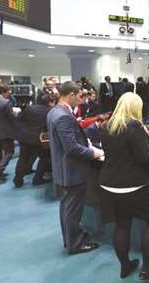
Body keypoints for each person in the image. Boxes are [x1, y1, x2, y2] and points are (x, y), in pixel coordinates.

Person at [99, 92, 149, 281]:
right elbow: (145, 158)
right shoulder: (134, 125)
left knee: (122, 225)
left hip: (109, 185)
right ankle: (147, 269)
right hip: (133, 185)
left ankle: (125, 266)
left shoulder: (107, 126)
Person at [47, 81, 103, 255]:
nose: (81, 100)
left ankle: (70, 239)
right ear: (70, 94)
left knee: (66, 208)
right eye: (79, 96)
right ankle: (75, 244)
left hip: (63, 169)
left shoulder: (54, 112)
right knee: (72, 210)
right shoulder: (63, 116)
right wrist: (93, 153)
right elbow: (71, 148)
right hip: (71, 171)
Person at [13, 93, 57, 188]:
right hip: (39, 139)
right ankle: (37, 179)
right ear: (50, 102)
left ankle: (18, 180)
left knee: (22, 158)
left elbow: (19, 119)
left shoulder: (29, 108)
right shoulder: (51, 111)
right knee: (44, 159)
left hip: (24, 137)